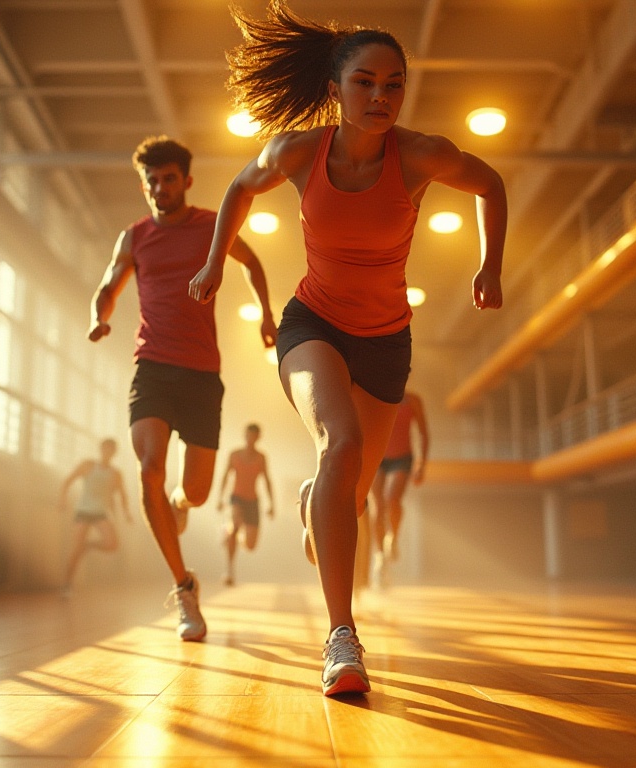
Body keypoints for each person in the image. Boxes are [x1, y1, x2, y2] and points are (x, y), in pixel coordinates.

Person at [190, 0, 506, 695]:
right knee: (341, 445)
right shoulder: (299, 153)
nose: (381, 96)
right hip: (314, 325)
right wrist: (215, 264)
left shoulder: (423, 155)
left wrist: (491, 265)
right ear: (335, 91)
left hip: (388, 341)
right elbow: (240, 189)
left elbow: (491, 184)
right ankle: (342, 639)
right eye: (365, 82)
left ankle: (321, 503)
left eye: (394, 83)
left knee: (350, 496)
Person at [89, 136, 276, 642]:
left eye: (168, 178)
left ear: (186, 181)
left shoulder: (210, 224)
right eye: (151, 180)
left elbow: (253, 263)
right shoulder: (134, 237)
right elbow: (109, 284)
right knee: (148, 468)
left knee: (193, 491)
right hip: (152, 367)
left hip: (200, 375)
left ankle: (180, 502)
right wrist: (98, 317)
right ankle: (184, 587)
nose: (159, 187)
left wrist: (266, 317)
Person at [368, 389, 428, 588]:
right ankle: (379, 557)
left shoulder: (413, 400)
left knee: (392, 499)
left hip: (402, 458)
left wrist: (421, 464)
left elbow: (423, 432)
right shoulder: (376, 394)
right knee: (377, 506)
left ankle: (392, 535)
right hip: (378, 456)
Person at [57, 437, 133, 594]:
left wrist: (125, 513)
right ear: (101, 449)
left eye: (111, 450)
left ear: (114, 453)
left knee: (112, 544)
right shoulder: (88, 465)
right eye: (105, 448)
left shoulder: (116, 474)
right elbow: (68, 481)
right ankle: (66, 584)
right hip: (83, 511)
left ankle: (88, 545)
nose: (107, 452)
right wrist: (62, 500)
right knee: (76, 549)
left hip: (100, 513)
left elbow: (121, 495)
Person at [215, 423, 276, 586]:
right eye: (248, 436)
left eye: (254, 437)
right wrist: (219, 498)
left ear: (258, 438)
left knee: (250, 545)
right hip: (236, 498)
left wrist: (272, 504)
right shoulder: (234, 454)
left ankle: (232, 533)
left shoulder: (261, 458)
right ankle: (229, 570)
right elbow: (225, 476)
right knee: (234, 525)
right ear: (245, 436)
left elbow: (267, 480)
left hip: (253, 501)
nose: (251, 439)